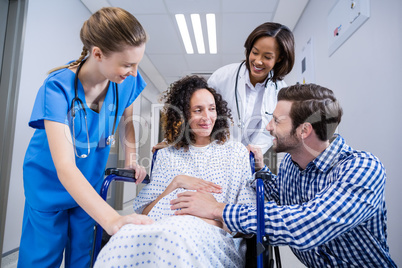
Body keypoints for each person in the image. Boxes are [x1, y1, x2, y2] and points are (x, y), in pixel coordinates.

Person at [171, 83, 397, 267]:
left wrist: (217, 209)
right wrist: (260, 169)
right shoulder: (291, 162)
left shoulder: (363, 170)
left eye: (277, 121)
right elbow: (282, 194)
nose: (269, 127)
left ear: (304, 131)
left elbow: (306, 224)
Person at [18, 7, 153, 268]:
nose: (134, 72)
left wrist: (132, 159)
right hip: (49, 186)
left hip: (88, 186)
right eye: (127, 64)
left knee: (83, 259)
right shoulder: (57, 88)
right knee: (41, 260)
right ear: (98, 53)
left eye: (137, 63)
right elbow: (65, 168)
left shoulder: (125, 82)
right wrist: (112, 219)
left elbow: (127, 122)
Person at [94, 75, 256, 267]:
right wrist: (176, 182)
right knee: (123, 237)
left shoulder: (236, 153)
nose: (207, 117)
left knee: (175, 239)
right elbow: (146, 213)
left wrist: (202, 218)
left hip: (210, 235)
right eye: (198, 110)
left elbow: (248, 221)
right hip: (161, 227)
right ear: (183, 115)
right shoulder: (167, 155)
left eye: (212, 109)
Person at [152, 22, 295, 160]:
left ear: (279, 58)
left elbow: (270, 131)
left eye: (267, 57)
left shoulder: (281, 92)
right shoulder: (223, 76)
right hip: (214, 154)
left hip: (247, 159)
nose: (258, 61)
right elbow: (197, 110)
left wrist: (250, 153)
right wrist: (172, 140)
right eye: (255, 52)